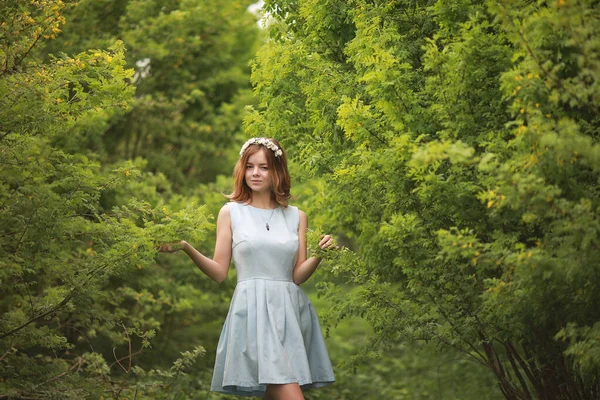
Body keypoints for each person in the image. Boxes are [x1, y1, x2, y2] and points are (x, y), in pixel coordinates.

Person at [159, 137, 336, 399]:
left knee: (278, 390)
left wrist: (319, 255)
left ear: (277, 171)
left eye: (264, 167)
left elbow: (297, 276)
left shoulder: (297, 216)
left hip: (289, 314)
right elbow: (219, 272)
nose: (255, 173)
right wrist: (186, 247)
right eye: (250, 166)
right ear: (242, 169)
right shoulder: (230, 212)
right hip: (253, 314)